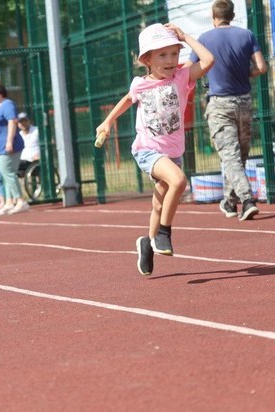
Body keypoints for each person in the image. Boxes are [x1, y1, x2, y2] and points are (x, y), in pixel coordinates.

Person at [95, 23, 214, 275]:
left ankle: (147, 244)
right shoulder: (140, 84)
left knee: (159, 205)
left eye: (174, 53)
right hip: (147, 149)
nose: (171, 60)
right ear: (146, 59)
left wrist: (185, 37)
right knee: (179, 181)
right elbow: (127, 99)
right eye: (162, 55)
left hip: (173, 152)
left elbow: (208, 59)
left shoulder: (182, 77)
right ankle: (163, 233)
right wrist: (107, 122)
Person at [188, 0, 267, 221]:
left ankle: (247, 199)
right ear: (232, 15)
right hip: (244, 101)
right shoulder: (247, 35)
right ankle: (229, 201)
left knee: (231, 157)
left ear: (214, 17)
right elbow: (261, 67)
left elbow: (193, 67)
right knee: (239, 156)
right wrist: (245, 74)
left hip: (220, 104)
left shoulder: (204, 39)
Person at [0, 80, 29, 215]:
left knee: (9, 173)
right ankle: (9, 201)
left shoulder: (7, 104)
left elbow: (12, 122)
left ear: (0, 94)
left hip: (9, 146)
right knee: (5, 174)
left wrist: (9, 141)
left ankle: (20, 200)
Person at [17, 112, 40, 177]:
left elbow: (49, 142)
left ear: (28, 121)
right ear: (18, 124)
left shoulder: (37, 130)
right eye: (21, 122)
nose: (23, 123)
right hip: (22, 161)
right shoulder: (19, 135)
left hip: (35, 160)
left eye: (24, 121)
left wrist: (40, 154)